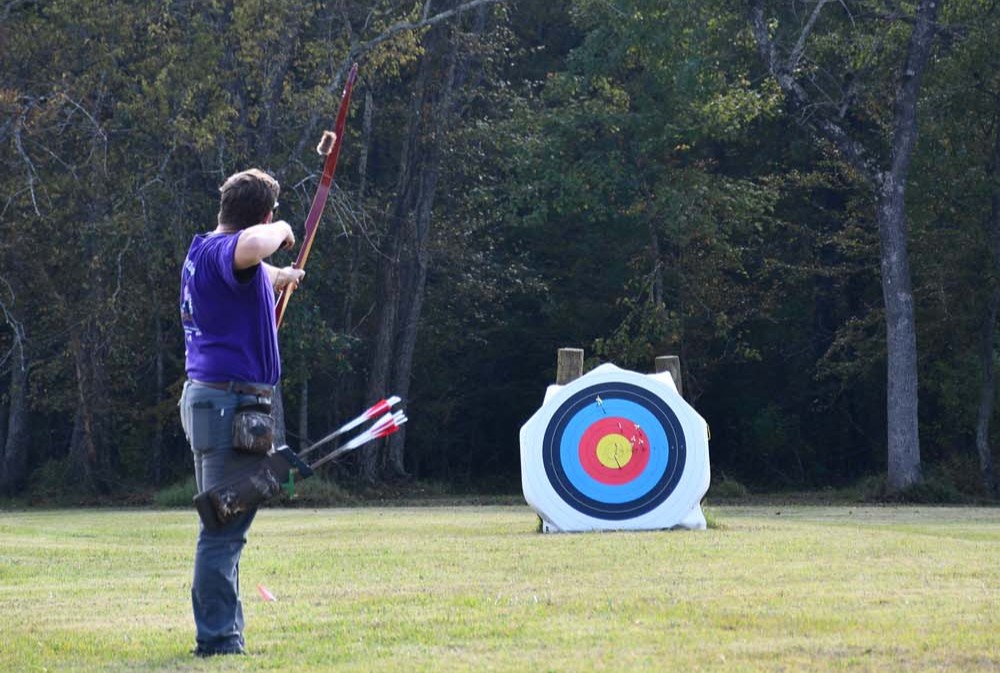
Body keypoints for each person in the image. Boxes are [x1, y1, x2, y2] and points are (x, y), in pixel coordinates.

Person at [178, 168, 305, 657]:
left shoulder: (203, 251)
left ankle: (223, 631)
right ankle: (217, 641)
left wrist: (282, 277)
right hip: (228, 403)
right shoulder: (238, 247)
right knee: (224, 527)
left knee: (225, 519)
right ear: (263, 216)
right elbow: (254, 248)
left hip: (215, 401)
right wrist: (285, 232)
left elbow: (252, 269)